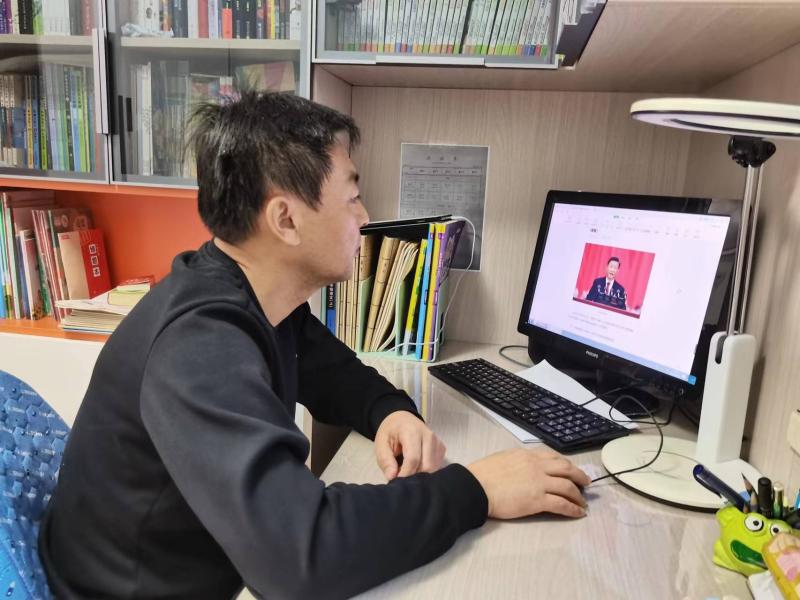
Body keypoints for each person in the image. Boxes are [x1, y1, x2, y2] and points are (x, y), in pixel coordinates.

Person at [38, 91, 591, 599]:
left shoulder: (250, 295)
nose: (365, 218)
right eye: (352, 197)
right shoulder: (199, 346)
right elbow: (301, 557)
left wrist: (390, 412)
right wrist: (476, 490)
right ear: (285, 219)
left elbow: (332, 372)